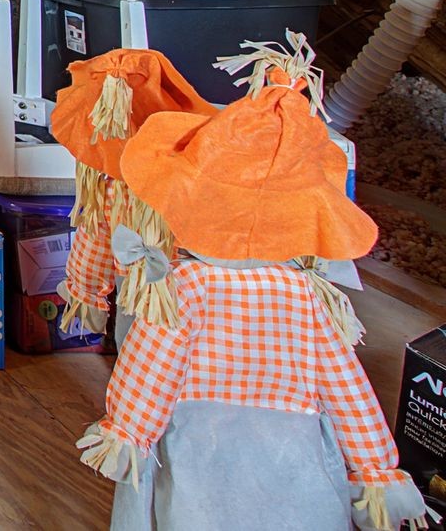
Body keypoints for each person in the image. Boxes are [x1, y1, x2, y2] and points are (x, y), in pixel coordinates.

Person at [74, 82, 433, 531]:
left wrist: (128, 431)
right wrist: (374, 468)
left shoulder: (185, 284)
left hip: (200, 443)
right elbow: (345, 385)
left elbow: (152, 366)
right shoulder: (306, 294)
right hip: (293, 443)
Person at [50, 49, 216, 338]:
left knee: (134, 345)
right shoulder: (200, 179)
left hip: (147, 293)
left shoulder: (112, 192)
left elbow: (93, 244)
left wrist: (85, 294)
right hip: (199, 299)